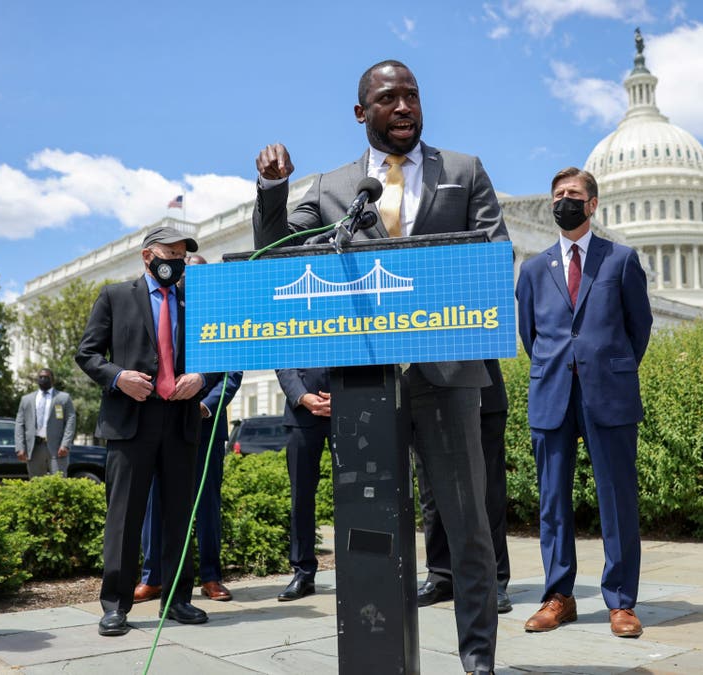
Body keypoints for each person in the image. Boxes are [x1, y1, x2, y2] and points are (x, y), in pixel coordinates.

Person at [253, 59, 509, 675]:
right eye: (389, 98)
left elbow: (495, 256)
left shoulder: (464, 172)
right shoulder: (331, 187)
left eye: (412, 96)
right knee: (369, 522)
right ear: (361, 111)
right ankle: (377, 650)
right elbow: (276, 253)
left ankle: (478, 659)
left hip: (448, 377)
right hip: (362, 383)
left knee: (467, 523)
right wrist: (271, 192)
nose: (404, 107)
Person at [515, 167, 652, 637]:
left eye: (573, 194)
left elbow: (639, 329)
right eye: (558, 195)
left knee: (617, 499)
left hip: (608, 394)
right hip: (552, 392)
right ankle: (559, 596)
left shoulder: (621, 260)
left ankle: (621, 602)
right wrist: (564, 365)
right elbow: (530, 336)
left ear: (592, 204)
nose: (564, 201)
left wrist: (605, 365)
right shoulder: (534, 269)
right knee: (552, 501)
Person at [75, 225, 221, 636]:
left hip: (181, 420)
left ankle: (177, 601)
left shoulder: (195, 300)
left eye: (181, 256)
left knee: (178, 516)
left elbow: (218, 351)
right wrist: (118, 376)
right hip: (130, 422)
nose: (175, 262)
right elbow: (87, 354)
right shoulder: (114, 296)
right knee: (124, 517)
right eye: (169, 254)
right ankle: (115, 606)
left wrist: (202, 378)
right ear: (147, 256)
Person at [137, 255, 243, 603]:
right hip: (163, 425)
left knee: (206, 503)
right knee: (156, 501)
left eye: (199, 275)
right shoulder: (163, 314)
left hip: (204, 426)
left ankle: (211, 577)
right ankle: (152, 578)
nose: (190, 281)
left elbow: (232, 374)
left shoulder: (219, 319)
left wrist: (205, 405)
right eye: (187, 275)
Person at [415, 360, 513, 614]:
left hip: (480, 391)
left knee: (486, 493)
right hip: (423, 394)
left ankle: (495, 580)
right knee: (430, 493)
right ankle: (440, 574)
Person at [274, 367, 331, 602]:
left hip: (350, 405)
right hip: (301, 413)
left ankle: (361, 567)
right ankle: (303, 574)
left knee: (357, 496)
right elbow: (282, 357)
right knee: (301, 498)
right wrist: (302, 396)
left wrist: (344, 395)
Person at [14, 367, 77, 477]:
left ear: (52, 379)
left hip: (57, 448)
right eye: (41, 377)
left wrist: (65, 444)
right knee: (36, 484)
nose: (43, 379)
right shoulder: (26, 399)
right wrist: (20, 447)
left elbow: (71, 421)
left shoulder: (63, 398)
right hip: (34, 448)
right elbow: (19, 424)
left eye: (46, 377)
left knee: (59, 482)